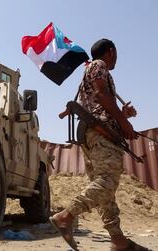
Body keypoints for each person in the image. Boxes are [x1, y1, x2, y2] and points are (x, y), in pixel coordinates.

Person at [50, 39, 150, 251]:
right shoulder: (99, 65)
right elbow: (101, 95)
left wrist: (122, 115)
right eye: (116, 53)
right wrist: (124, 122)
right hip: (100, 133)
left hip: (92, 134)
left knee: (105, 190)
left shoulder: (90, 71)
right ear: (111, 51)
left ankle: (118, 240)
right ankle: (65, 216)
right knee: (108, 181)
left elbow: (97, 104)